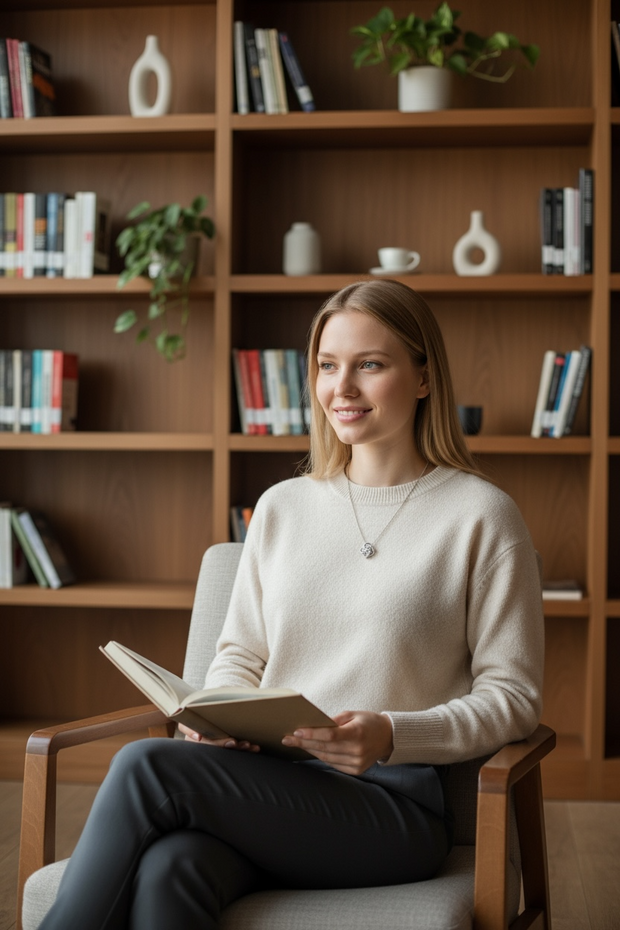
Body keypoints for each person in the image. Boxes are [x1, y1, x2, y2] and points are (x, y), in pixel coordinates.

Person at [39, 280, 544, 930]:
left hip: (393, 811)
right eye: (328, 366)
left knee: (144, 765)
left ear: (424, 377)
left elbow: (513, 697)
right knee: (171, 869)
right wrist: (214, 716)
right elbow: (239, 655)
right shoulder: (282, 507)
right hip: (268, 788)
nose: (343, 388)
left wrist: (392, 733)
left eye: (370, 364)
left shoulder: (482, 516)